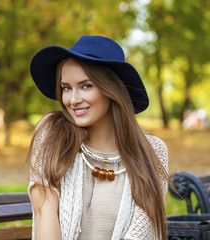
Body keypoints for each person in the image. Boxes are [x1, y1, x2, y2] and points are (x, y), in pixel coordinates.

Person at [27, 35, 169, 240]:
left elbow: (140, 233)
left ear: (112, 89)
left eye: (86, 86)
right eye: (66, 87)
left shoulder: (152, 151)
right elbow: (43, 212)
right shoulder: (52, 135)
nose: (73, 100)